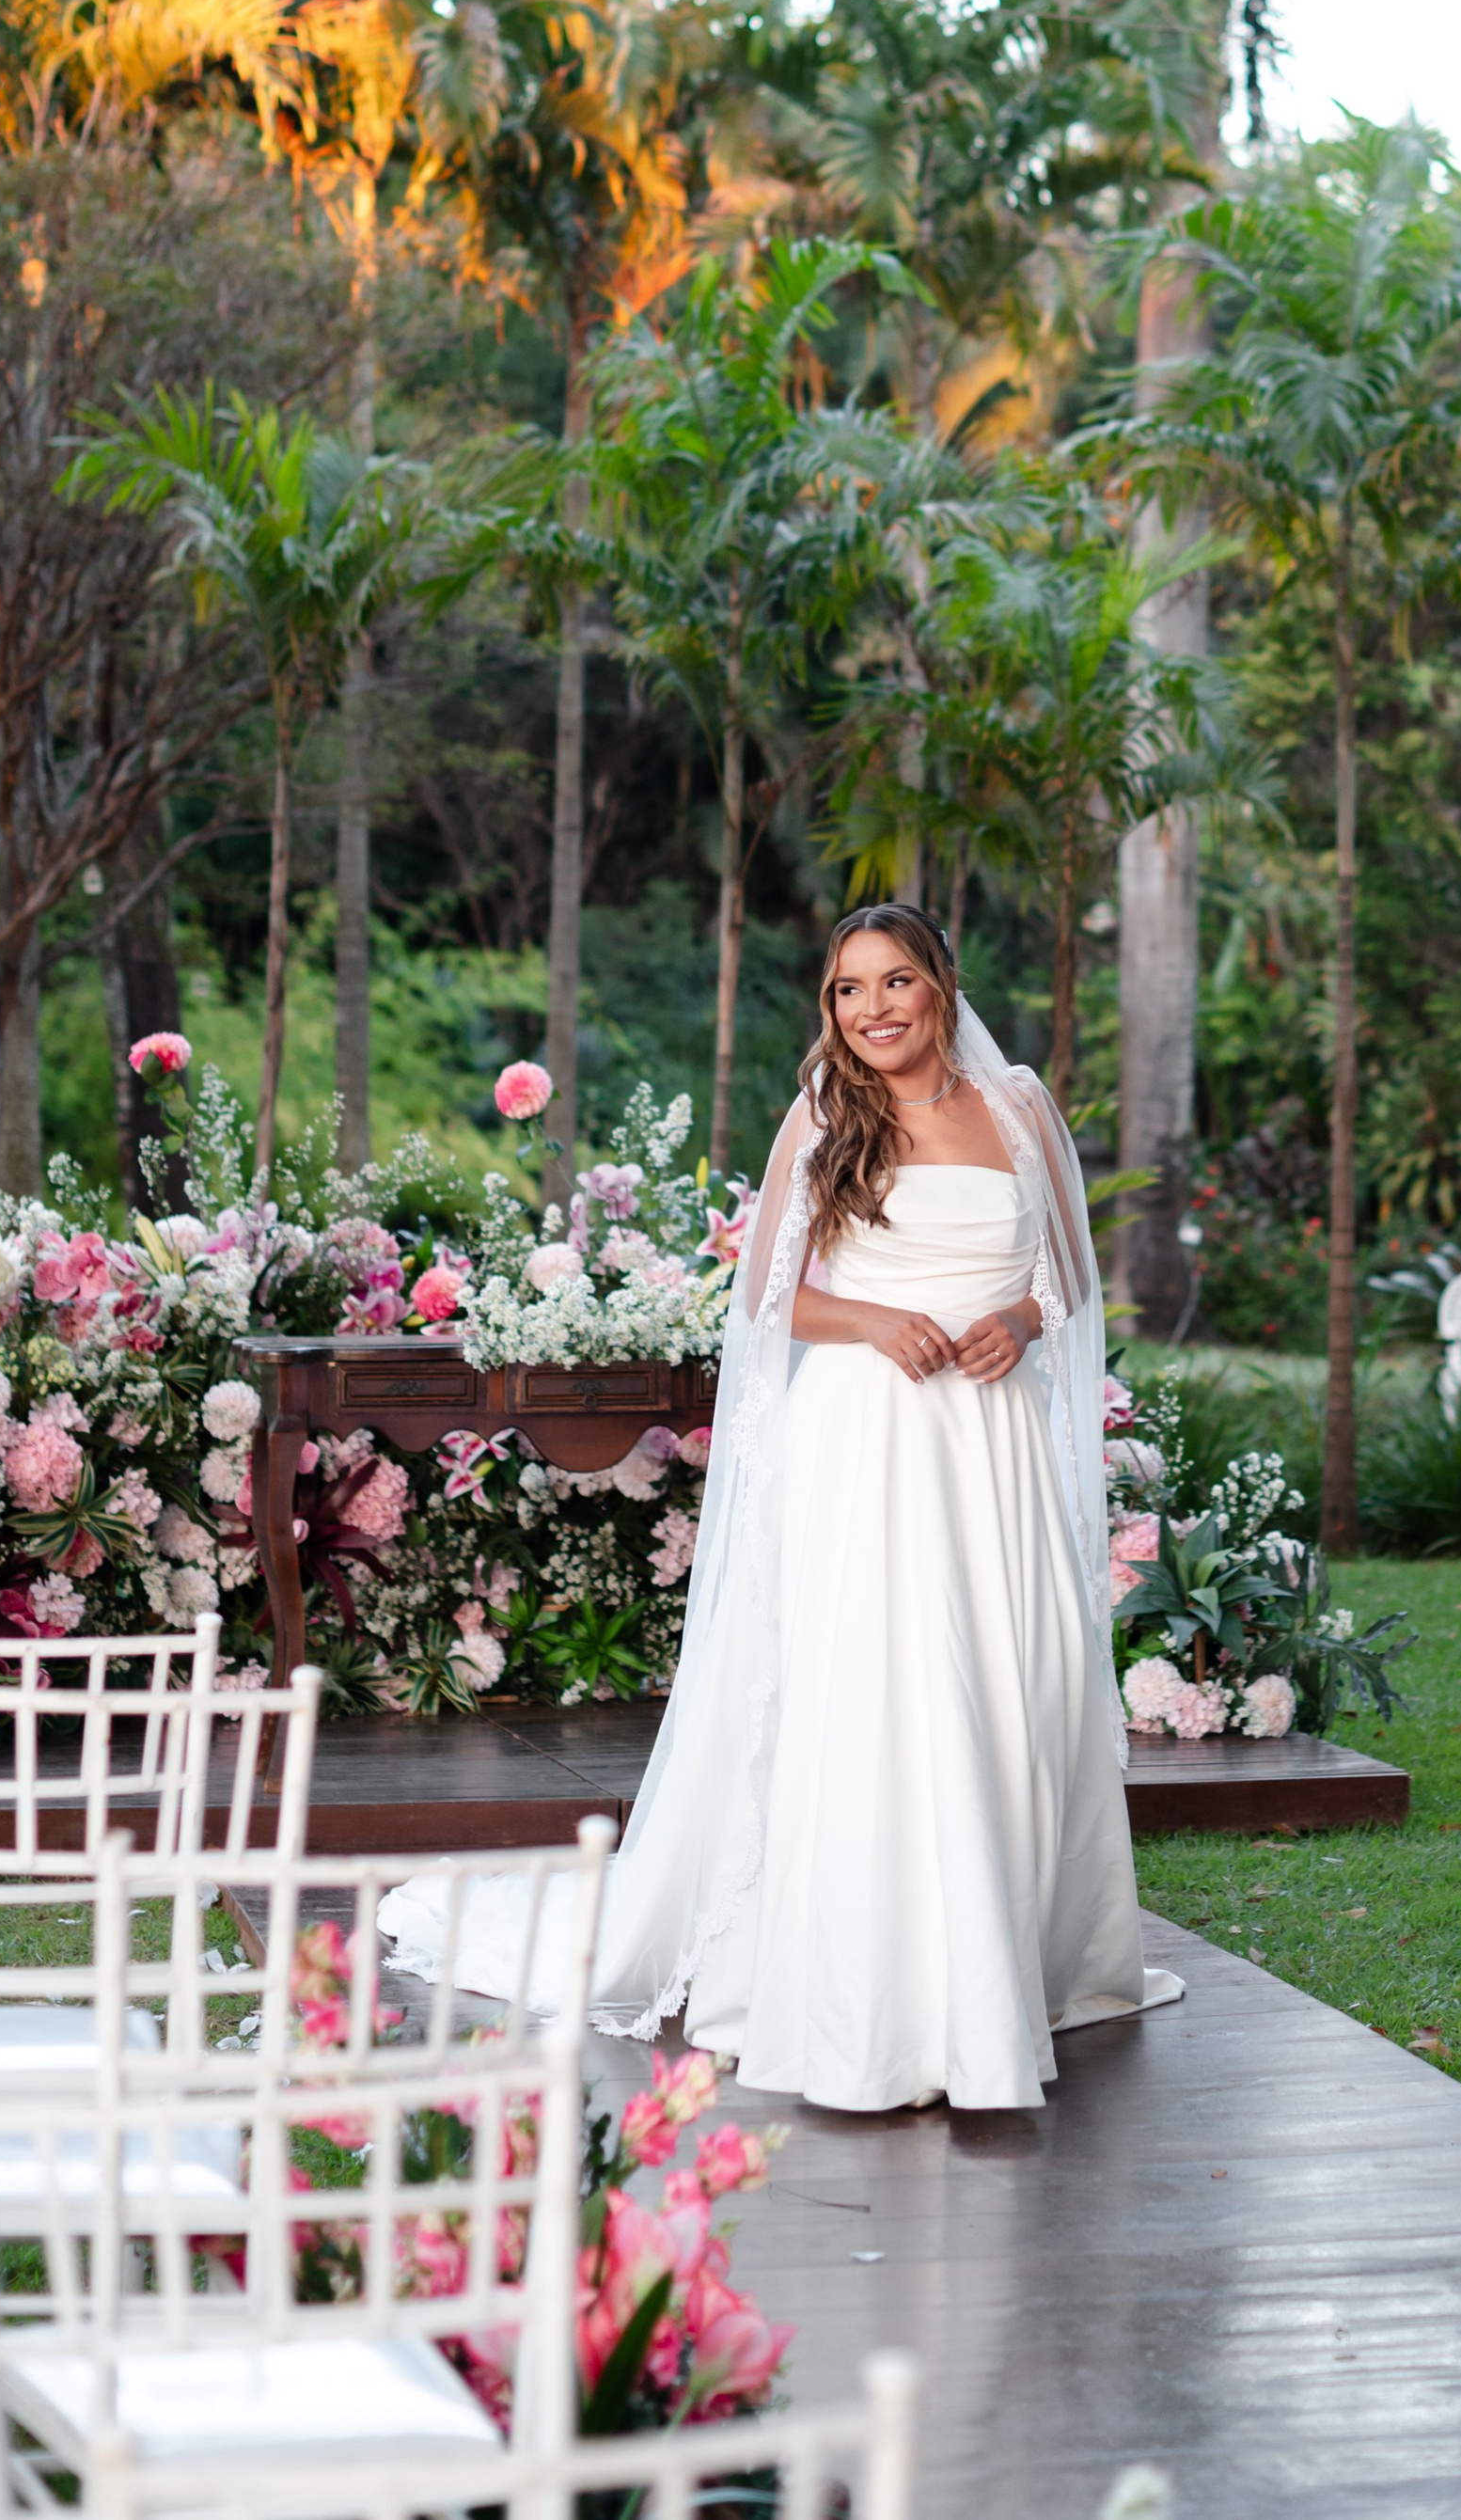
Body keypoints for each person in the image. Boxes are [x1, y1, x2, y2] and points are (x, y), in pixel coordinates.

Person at [384, 904, 1177, 2111]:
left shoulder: (1016, 1107)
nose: (873, 1010)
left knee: (1005, 1683)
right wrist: (874, 1321)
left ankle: (1005, 1966)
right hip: (867, 1434)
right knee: (883, 1690)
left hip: (992, 1437)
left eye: (895, 981)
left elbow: (1064, 1274)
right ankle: (871, 1999)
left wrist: (1015, 1322)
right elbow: (763, 1300)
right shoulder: (822, 1111)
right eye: (849, 990)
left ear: (940, 984)